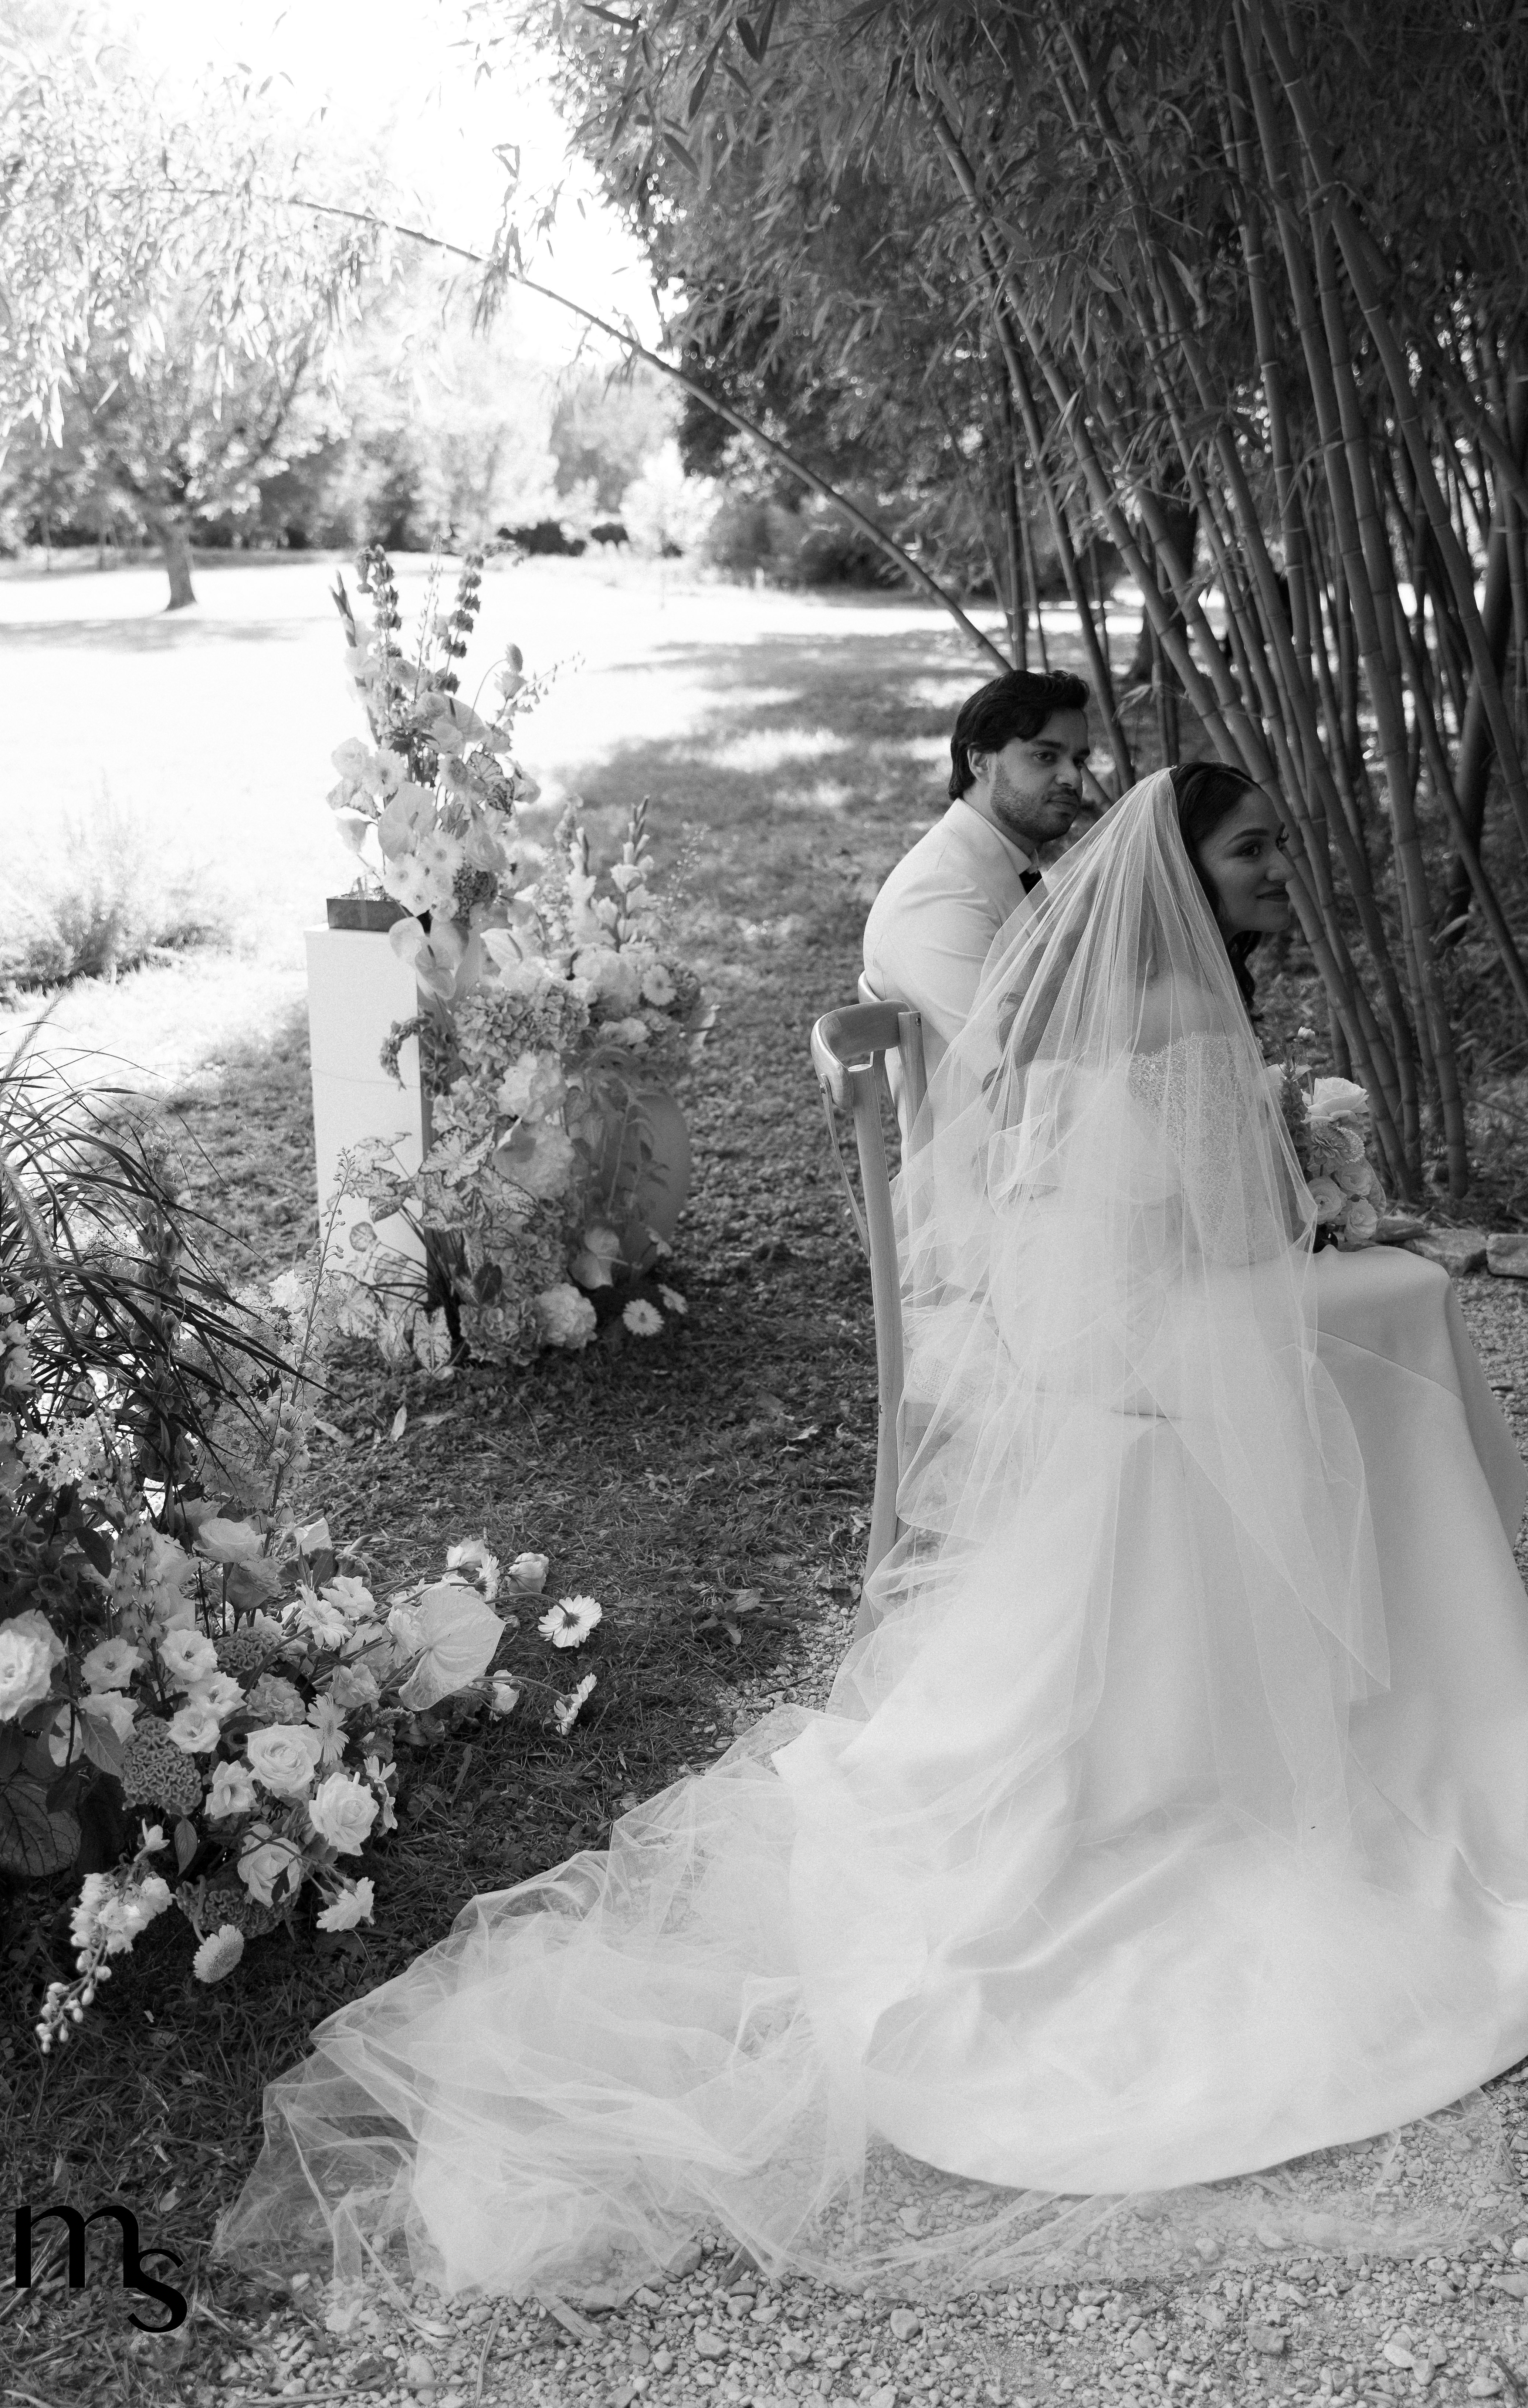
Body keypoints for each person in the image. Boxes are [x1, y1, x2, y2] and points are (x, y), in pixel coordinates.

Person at [218, 767, 1528, 2305]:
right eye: (1254, 850)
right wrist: (1318, 1180)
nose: (1278, 875)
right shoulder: (1177, 1019)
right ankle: (1419, 1692)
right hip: (1159, 1366)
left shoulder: (1136, 999)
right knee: (1378, 1344)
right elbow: (1227, 1241)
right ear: (1184, 873)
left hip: (1109, 1363)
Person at [862, 668, 1092, 1078]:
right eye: (1045, 756)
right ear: (980, 762)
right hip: (1003, 1136)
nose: (1073, 778)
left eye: (1078, 761)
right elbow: (1008, 1068)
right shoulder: (937, 893)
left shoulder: (1008, 864)